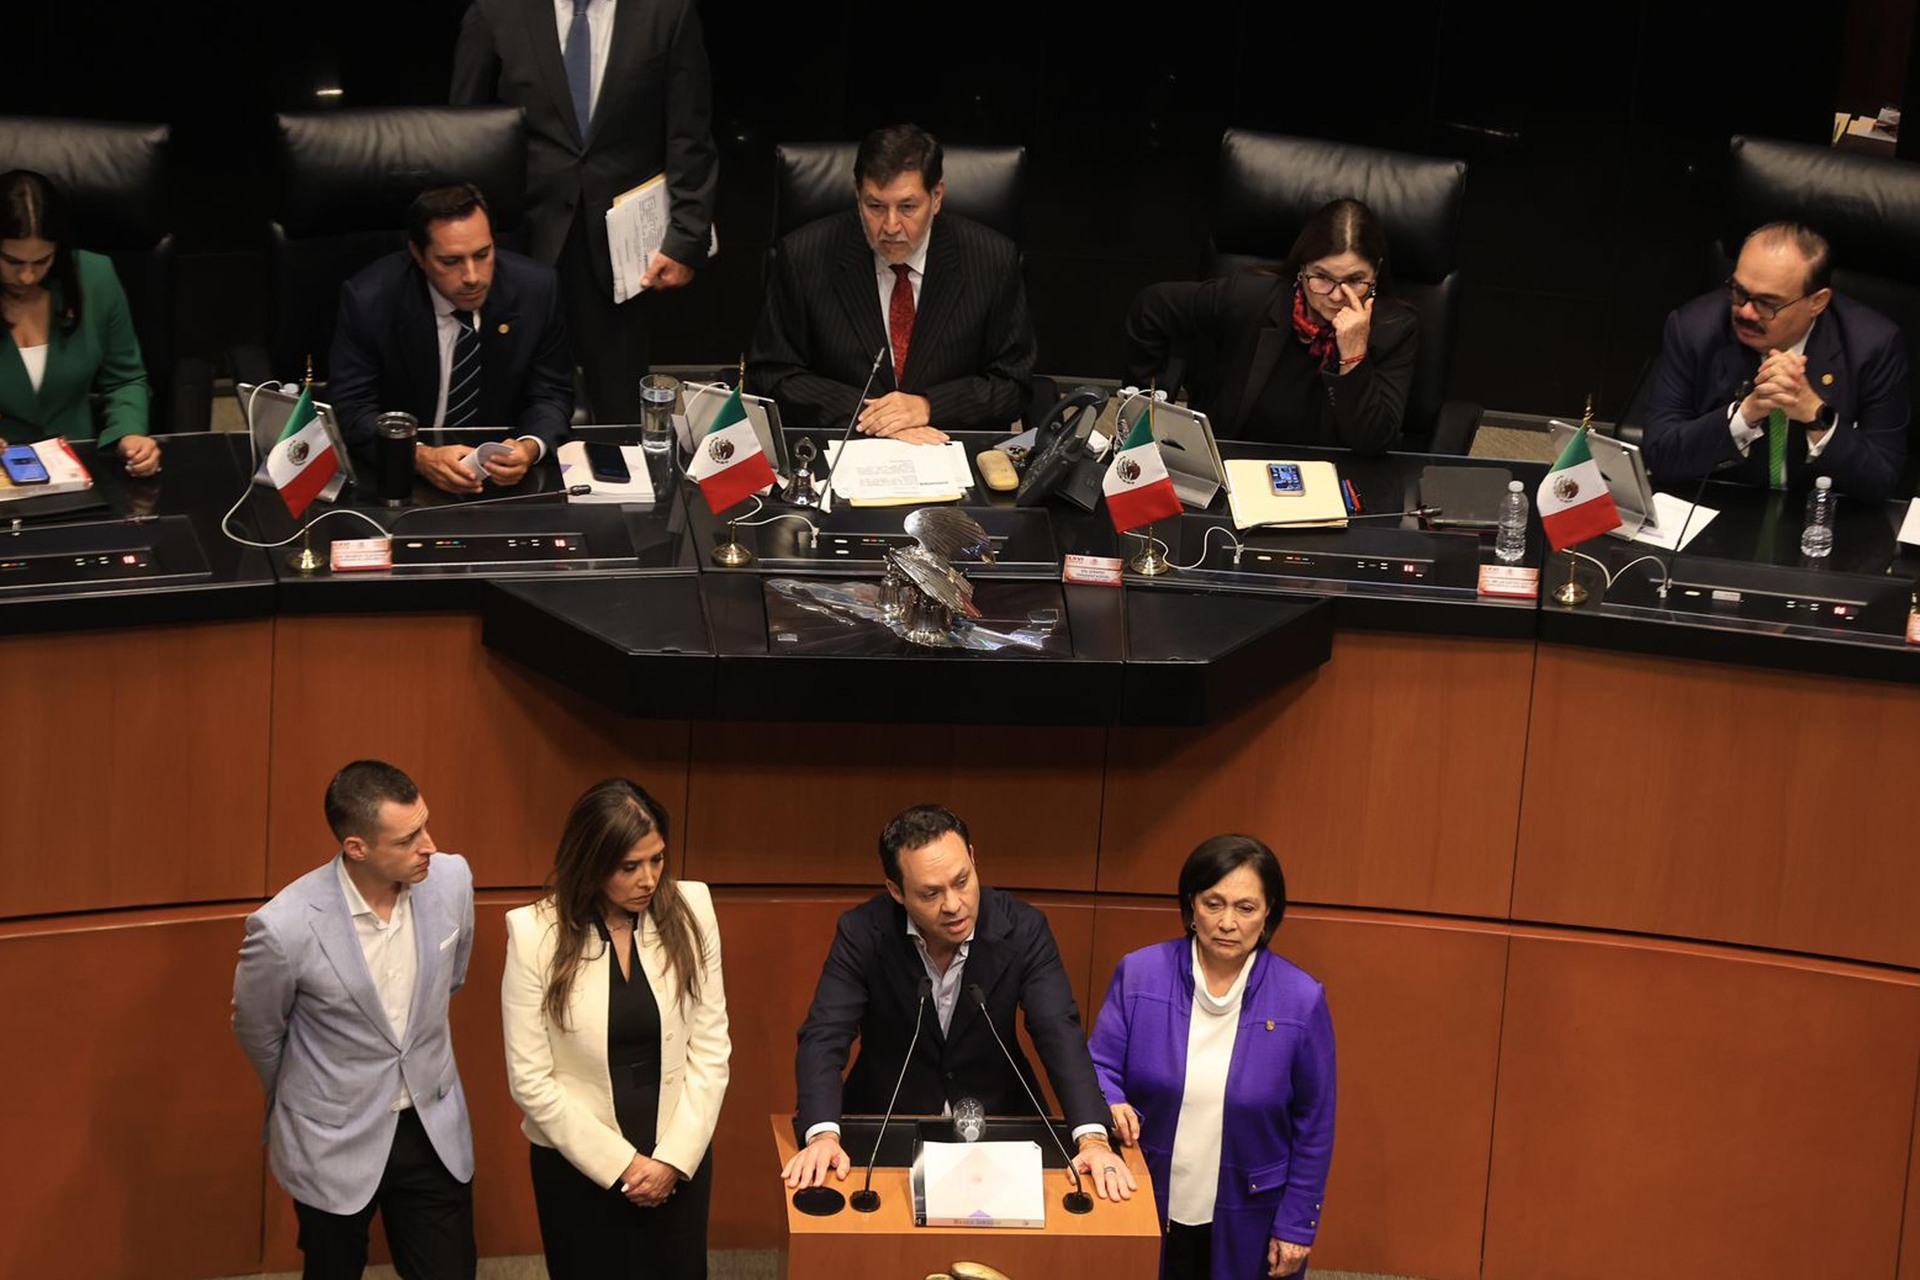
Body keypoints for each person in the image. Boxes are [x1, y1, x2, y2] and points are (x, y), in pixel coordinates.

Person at [781, 803, 1136, 1202]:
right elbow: (825, 1035)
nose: (953, 904)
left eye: (962, 881)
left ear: (972, 856)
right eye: (930, 893)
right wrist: (823, 1135)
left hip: (1000, 1125)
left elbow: (1059, 1031)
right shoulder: (863, 933)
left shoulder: (1023, 929)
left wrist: (1093, 1139)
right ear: (896, 891)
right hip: (886, 1127)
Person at [231, 760, 477, 1280]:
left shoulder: (452, 880)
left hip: (432, 1127)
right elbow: (258, 1029)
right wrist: (313, 1090)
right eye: (408, 839)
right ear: (357, 848)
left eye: (425, 826)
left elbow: (451, 981)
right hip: (333, 1136)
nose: (429, 846)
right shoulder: (283, 927)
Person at [502, 779, 729, 1279]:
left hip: (677, 1148)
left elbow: (712, 1047)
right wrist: (623, 1165)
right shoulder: (534, 933)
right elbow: (530, 1080)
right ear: (591, 861)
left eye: (657, 859)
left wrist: (672, 1160)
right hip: (580, 1158)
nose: (648, 879)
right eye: (629, 867)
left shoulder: (692, 908)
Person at [452, 0, 717, 423]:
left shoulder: (666, 12)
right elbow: (465, 134)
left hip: (623, 252)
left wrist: (686, 239)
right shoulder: (495, 10)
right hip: (518, 241)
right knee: (512, 405)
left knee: (619, 412)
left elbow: (690, 135)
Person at [1089, 835, 1334, 1280]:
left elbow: (1314, 1124)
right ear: (1191, 905)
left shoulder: (1301, 999)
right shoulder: (1140, 974)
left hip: (1252, 1210)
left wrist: (1297, 1224)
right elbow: (1098, 1067)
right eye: (1213, 903)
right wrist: (1112, 1100)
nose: (1227, 922)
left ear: (1269, 913)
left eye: (1246, 908)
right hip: (1144, 1191)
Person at [748, 123, 1037, 444]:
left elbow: (1013, 384)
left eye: (907, 207)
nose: (890, 225)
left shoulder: (991, 260)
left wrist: (928, 406)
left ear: (936, 197)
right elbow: (772, 373)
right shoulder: (804, 256)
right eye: (875, 206)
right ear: (857, 195)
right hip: (845, 445)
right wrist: (876, 417)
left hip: (946, 445)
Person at [326, 183, 574, 497]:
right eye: (450, 261)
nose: (472, 276)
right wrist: (417, 455)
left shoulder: (536, 290)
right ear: (418, 255)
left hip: (502, 481)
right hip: (401, 480)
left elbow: (552, 393)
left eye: (483, 255)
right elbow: (352, 408)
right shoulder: (371, 300)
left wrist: (529, 446)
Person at [1642, 221, 1909, 501]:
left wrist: (1816, 416)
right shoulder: (1693, 328)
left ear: (1817, 302)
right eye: (1739, 291)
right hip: (1726, 504)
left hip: (1823, 513)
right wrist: (1746, 413)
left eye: (1767, 303)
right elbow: (1660, 456)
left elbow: (1882, 480)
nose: (1746, 312)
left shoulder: (1873, 345)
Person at [1122, 197, 1415, 451]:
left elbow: (1374, 443)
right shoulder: (1251, 297)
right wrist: (1147, 407)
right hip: (1238, 462)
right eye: (1322, 277)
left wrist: (1354, 357)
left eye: (1354, 280)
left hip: (1332, 479)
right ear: (1302, 268)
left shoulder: (1394, 329)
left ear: (1376, 272)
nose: (1337, 296)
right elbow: (1152, 306)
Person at [0, 169, 159, 475]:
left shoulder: (94, 278)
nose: (27, 277)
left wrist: (130, 432)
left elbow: (125, 379)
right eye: (12, 262)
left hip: (75, 465)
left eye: (42, 261)